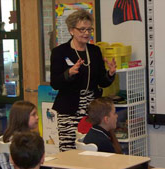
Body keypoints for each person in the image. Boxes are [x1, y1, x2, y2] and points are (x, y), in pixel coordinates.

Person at [50, 9, 117, 151]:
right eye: (82, 29)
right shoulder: (60, 52)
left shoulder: (94, 51)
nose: (86, 33)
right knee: (69, 149)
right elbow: (55, 83)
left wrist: (110, 74)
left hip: (92, 109)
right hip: (69, 108)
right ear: (71, 30)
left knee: (91, 149)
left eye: (89, 29)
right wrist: (68, 73)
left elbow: (101, 82)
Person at [0, 100, 39, 169]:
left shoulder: (5, 137)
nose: (37, 117)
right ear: (22, 117)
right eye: (33, 114)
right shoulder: (24, 142)